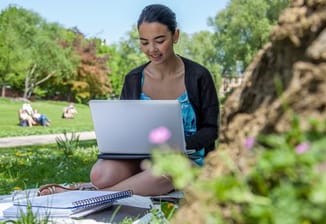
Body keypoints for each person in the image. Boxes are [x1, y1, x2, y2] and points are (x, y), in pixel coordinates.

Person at [38, 4, 219, 196]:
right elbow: (125, 127)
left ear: (175, 36)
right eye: (144, 42)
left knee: (165, 171)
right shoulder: (133, 79)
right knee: (101, 174)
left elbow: (212, 128)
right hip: (142, 158)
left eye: (159, 40)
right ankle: (105, 189)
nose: (152, 49)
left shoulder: (199, 75)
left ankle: (88, 195)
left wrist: (182, 144)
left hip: (188, 161)